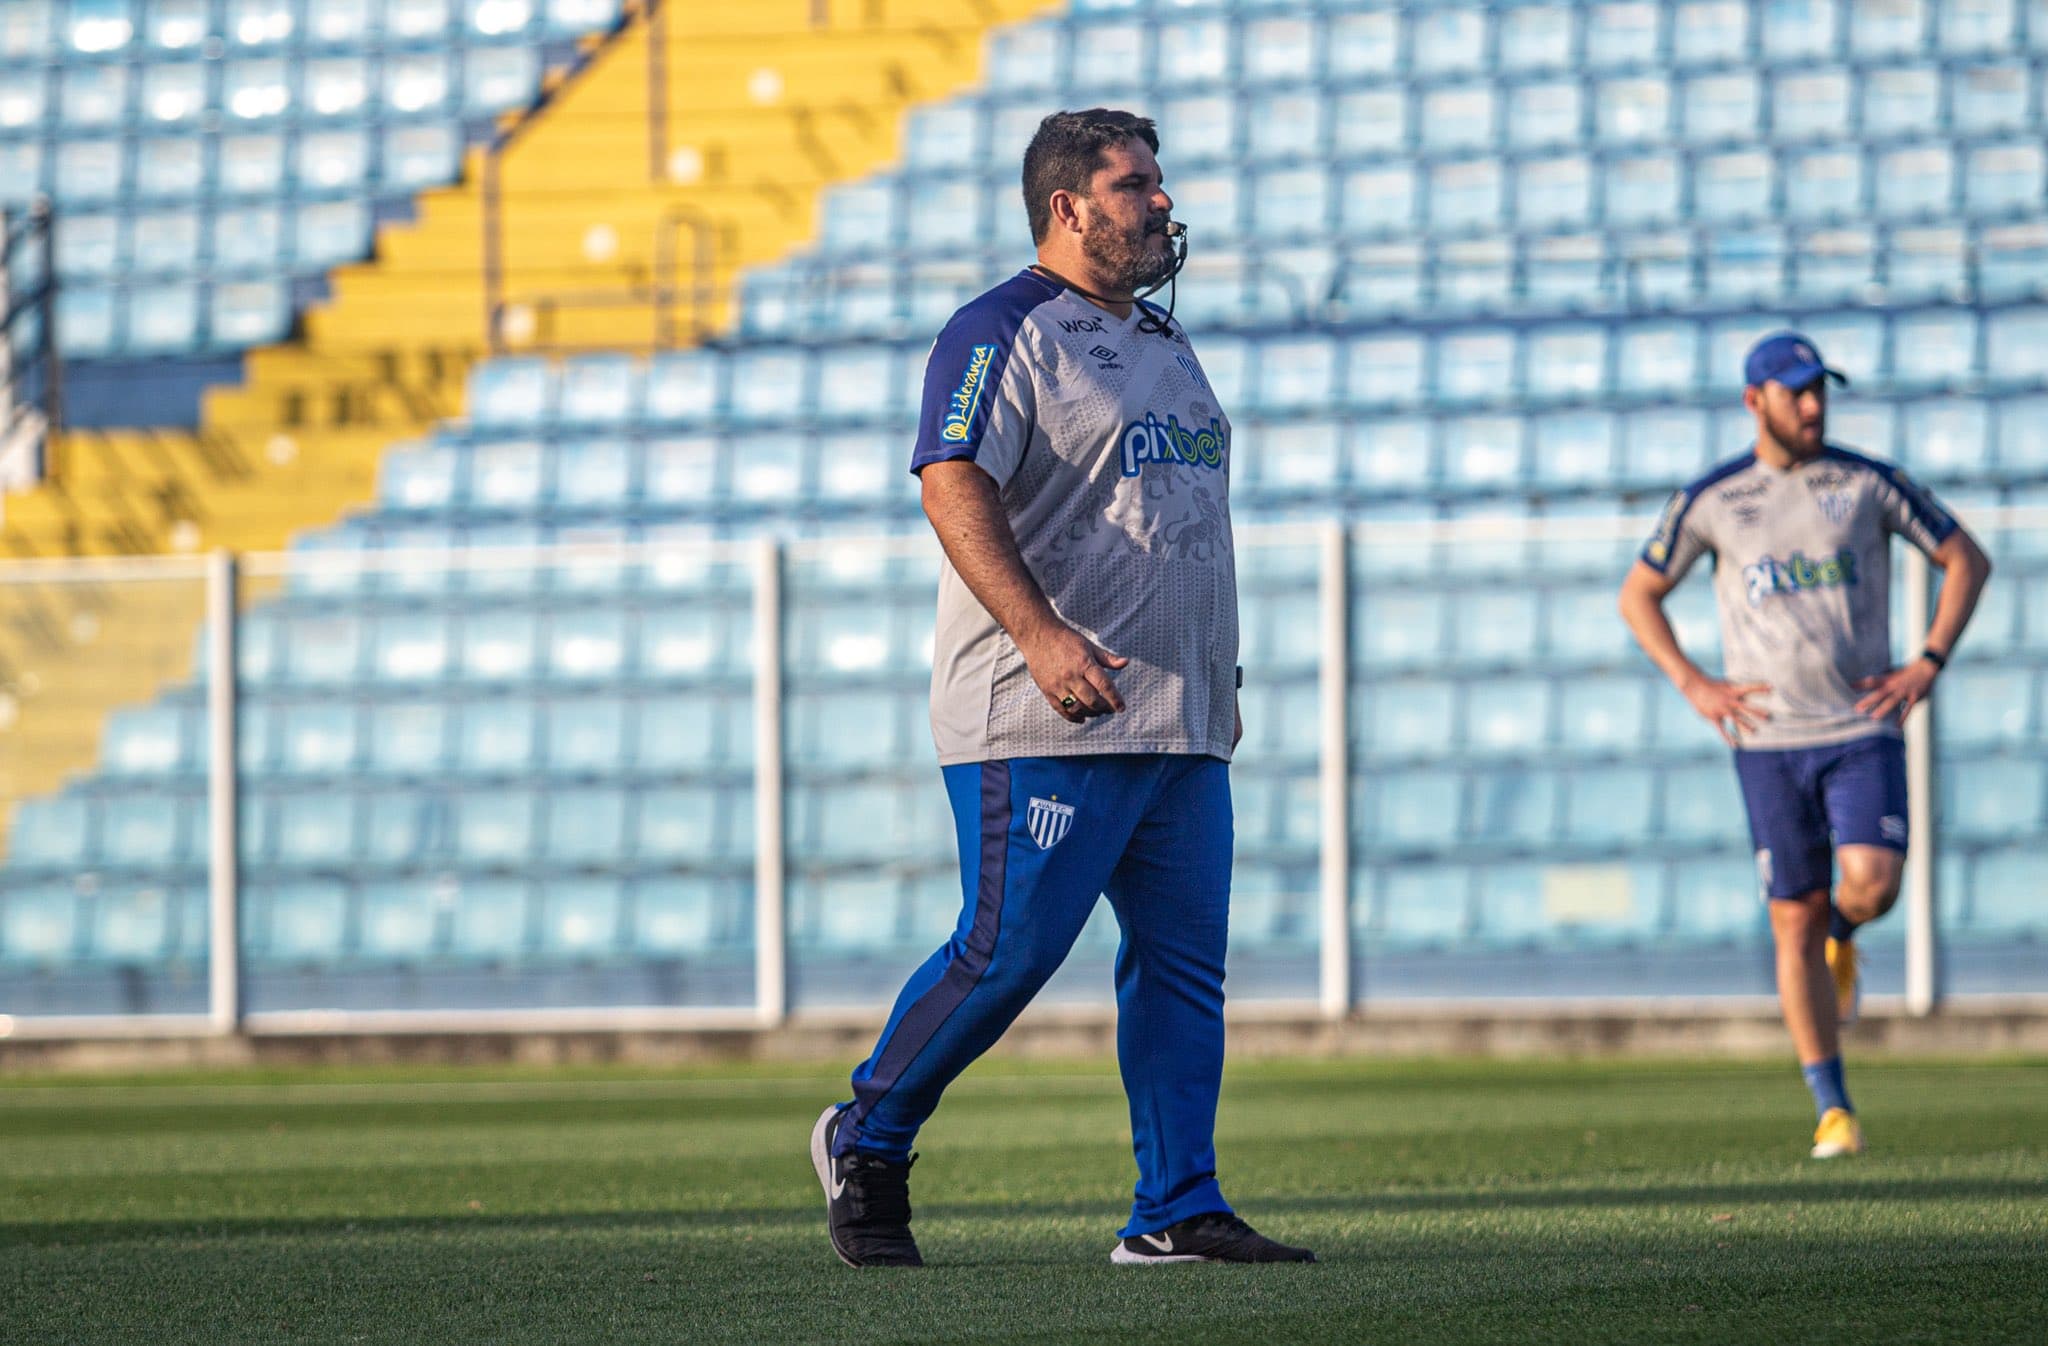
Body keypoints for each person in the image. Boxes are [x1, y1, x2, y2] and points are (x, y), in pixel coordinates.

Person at [809, 109, 1314, 1268]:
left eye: (1158, 181)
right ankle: (869, 1128)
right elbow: (948, 482)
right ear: (1067, 209)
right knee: (1008, 952)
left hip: (1178, 720)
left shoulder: (1166, 342)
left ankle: (1174, 1205)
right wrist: (1039, 636)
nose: (1160, 202)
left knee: (1182, 970)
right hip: (1040, 709)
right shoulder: (998, 328)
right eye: (1135, 186)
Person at [1618, 332, 1992, 1158]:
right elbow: (1640, 593)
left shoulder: (1863, 483)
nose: (1815, 405)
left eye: (1821, 389)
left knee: (1869, 884)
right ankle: (1832, 1108)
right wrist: (1694, 682)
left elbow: (1965, 557)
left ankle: (1846, 941)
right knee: (1791, 918)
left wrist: (1928, 661)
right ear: (1755, 402)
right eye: (1797, 392)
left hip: (1860, 728)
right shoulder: (1715, 497)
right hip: (1767, 742)